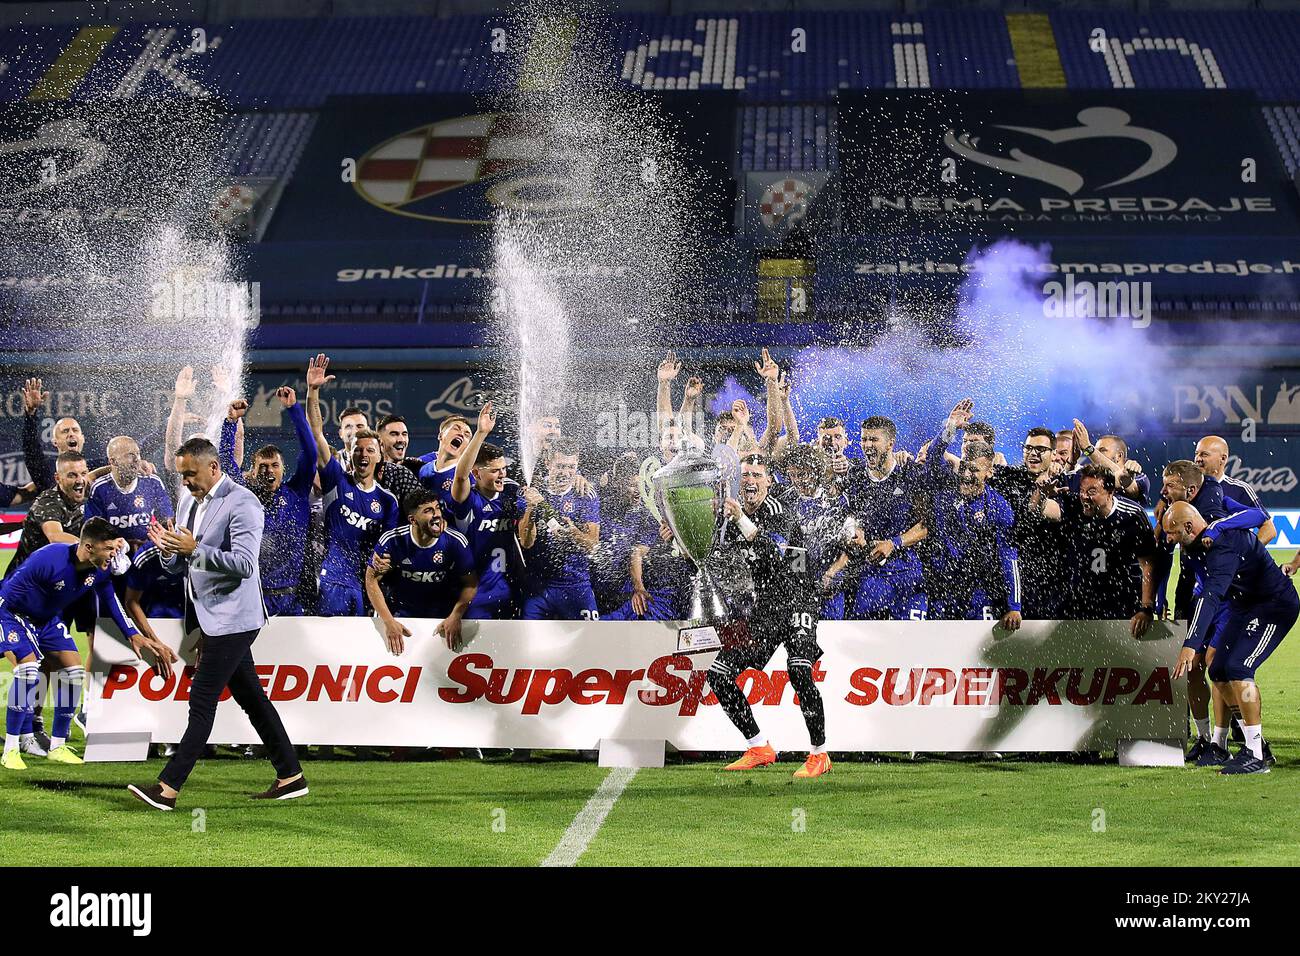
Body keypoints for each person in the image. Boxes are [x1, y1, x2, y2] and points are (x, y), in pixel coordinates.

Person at [129, 438, 305, 809]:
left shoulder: (243, 502)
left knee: (202, 699)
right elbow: (181, 563)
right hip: (210, 616)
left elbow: (244, 564)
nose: (186, 482)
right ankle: (291, 775)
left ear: (213, 467)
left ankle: (168, 788)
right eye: (182, 475)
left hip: (236, 619)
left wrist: (194, 550)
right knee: (252, 699)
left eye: (190, 474)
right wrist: (169, 552)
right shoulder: (187, 500)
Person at [707, 453, 830, 779]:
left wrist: (740, 521)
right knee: (719, 674)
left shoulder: (779, 512)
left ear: (769, 481)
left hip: (799, 600)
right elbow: (720, 562)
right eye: (745, 474)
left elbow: (775, 554)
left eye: (757, 475)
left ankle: (819, 754)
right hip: (764, 608)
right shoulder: (726, 519)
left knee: (799, 672)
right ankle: (758, 746)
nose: (750, 481)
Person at [1, 518, 146, 769]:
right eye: (109, 549)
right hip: (13, 614)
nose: (114, 555)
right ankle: (11, 749)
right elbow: (6, 597)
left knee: (74, 671)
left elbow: (111, 601)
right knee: (28, 670)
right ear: (88, 547)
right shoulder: (48, 559)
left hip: (46, 620)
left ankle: (57, 746)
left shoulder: (99, 569)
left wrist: (132, 633)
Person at [1164, 501, 1297, 775]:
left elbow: (1211, 596)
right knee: (1219, 669)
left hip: (1274, 605)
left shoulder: (1221, 544)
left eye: (1173, 533)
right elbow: (1204, 594)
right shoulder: (1197, 547)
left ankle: (1256, 756)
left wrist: (1191, 644)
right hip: (1243, 606)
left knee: (1238, 668)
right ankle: (1255, 746)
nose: (1169, 539)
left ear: (1189, 527)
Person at [306, 355, 400, 616]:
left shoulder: (388, 501)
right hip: (334, 581)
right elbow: (316, 433)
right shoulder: (336, 478)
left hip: (369, 586)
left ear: (380, 455)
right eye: (358, 450)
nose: (363, 455)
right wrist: (313, 392)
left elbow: (387, 545)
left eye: (370, 450)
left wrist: (384, 563)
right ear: (351, 453)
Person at [921, 400, 1022, 628]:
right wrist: (950, 428)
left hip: (980, 592)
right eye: (965, 467)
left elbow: (1009, 556)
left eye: (975, 470)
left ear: (989, 472)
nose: (967, 474)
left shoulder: (999, 506)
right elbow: (933, 456)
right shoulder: (945, 488)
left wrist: (1014, 606)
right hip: (943, 590)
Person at [221, 385, 318, 615]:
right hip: (252, 597)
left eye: (274, 465)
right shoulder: (244, 496)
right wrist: (230, 423)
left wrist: (294, 409)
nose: (269, 471)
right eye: (262, 466)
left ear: (283, 470)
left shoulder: (296, 493)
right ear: (252, 472)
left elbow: (310, 452)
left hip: (292, 600)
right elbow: (226, 463)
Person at [1033, 464, 1156, 631]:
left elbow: (1148, 564)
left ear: (1111, 492)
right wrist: (1042, 495)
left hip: (1120, 604)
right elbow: (1039, 510)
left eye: (1092, 492)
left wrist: (1147, 608)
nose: (1084, 497)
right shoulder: (1074, 505)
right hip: (1079, 603)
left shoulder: (1132, 515)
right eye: (1082, 491)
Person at [833, 416, 928, 620]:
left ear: (890, 443)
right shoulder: (856, 475)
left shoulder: (908, 472)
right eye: (864, 439)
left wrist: (894, 544)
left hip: (907, 575)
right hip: (870, 575)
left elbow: (926, 525)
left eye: (874, 440)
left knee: (911, 646)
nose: (867, 445)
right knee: (865, 645)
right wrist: (853, 532)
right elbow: (852, 517)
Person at [365, 490, 477, 655]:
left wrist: (456, 615)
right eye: (428, 511)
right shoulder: (392, 540)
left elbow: (471, 584)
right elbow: (371, 580)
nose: (436, 514)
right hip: (402, 619)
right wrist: (388, 621)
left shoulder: (455, 541)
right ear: (413, 520)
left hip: (441, 621)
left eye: (437, 508)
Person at [986, 427, 1069, 619]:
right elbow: (970, 469)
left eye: (1040, 449)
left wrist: (1042, 495)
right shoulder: (1007, 477)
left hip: (1048, 587)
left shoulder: (1062, 482)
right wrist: (948, 431)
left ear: (1053, 453)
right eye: (1028, 448)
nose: (1033, 453)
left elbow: (1055, 513)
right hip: (1008, 583)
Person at [517, 436, 601, 620]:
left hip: (576, 585)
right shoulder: (533, 490)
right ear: (548, 463)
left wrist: (574, 534)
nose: (566, 472)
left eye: (571, 467)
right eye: (560, 466)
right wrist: (531, 507)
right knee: (530, 644)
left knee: (591, 642)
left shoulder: (585, 494)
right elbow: (526, 542)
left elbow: (592, 545)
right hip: (538, 588)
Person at [84, 436, 173, 550]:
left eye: (138, 454)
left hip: (149, 550)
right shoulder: (100, 488)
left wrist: (152, 544)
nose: (137, 459)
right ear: (113, 461)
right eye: (130, 455)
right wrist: (122, 545)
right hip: (113, 554)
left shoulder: (152, 482)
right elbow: (93, 533)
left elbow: (167, 521)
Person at [418, 415, 474, 507]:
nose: (461, 434)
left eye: (467, 434)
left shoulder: (469, 478)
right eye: (456, 429)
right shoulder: (423, 469)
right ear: (440, 436)